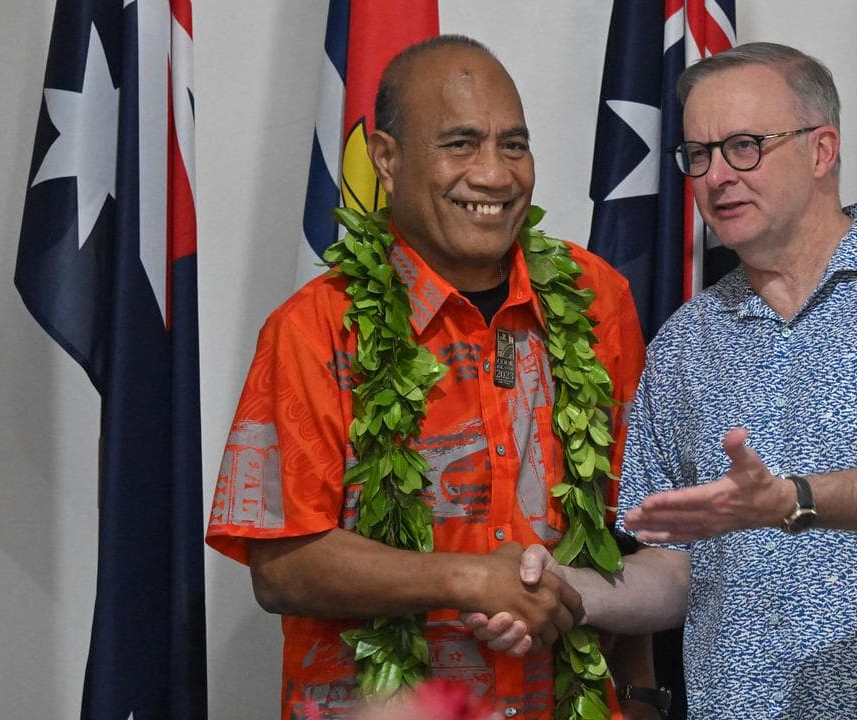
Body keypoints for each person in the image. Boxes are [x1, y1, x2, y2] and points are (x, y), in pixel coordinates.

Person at [470, 42, 857, 719]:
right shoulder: (684, 343)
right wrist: (565, 591)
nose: (715, 177)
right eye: (698, 156)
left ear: (822, 151)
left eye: (743, 147)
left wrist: (791, 499)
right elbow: (672, 570)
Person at [205, 35, 650, 720]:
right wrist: (470, 578)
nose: (495, 175)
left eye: (513, 145)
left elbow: (634, 530)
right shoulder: (314, 328)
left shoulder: (598, 300)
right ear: (387, 159)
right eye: (460, 144)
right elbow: (282, 565)